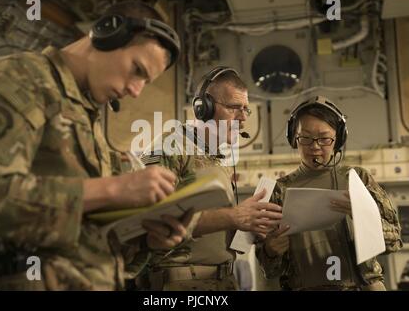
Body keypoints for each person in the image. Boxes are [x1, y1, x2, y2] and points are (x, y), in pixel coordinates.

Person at [0, 0, 192, 291]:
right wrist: (114, 189)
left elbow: (84, 229)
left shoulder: (86, 115)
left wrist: (146, 239)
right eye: (137, 70)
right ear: (107, 33)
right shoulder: (20, 79)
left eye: (145, 82)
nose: (135, 90)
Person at [137, 66, 283, 290]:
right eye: (234, 107)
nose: (243, 118)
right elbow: (153, 220)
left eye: (246, 109)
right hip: (179, 284)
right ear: (202, 108)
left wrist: (249, 228)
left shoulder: (217, 159)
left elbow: (216, 229)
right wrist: (234, 216)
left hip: (221, 282)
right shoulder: (169, 146)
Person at [256, 96, 402, 290]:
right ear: (293, 139)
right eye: (305, 138)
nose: (315, 147)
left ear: (338, 139)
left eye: (324, 139)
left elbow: (394, 242)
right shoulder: (278, 190)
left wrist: (364, 217)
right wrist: (271, 250)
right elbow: (270, 271)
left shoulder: (358, 179)